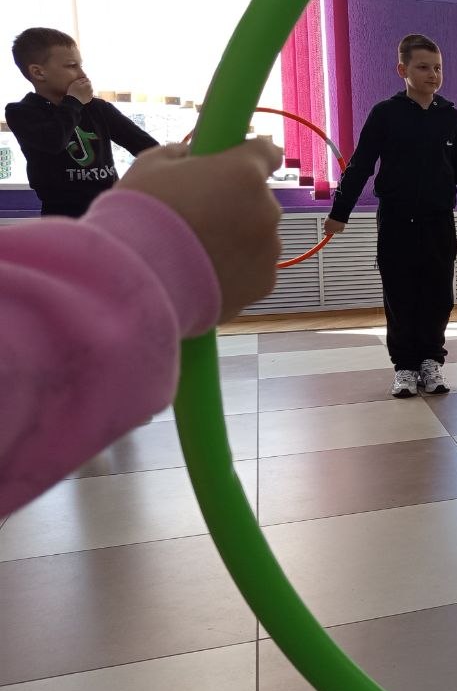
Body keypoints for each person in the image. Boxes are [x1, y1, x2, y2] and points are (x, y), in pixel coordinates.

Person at [1, 136, 284, 516]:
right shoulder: (29, 115)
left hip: (93, 226)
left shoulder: (99, 113)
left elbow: (137, 140)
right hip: (83, 228)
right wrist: (151, 253)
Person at [324, 34, 457, 398]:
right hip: (396, 221)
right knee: (400, 294)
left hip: (438, 221)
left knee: (438, 295)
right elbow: (360, 166)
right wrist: (339, 212)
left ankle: (431, 361)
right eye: (423, 67)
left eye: (438, 68)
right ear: (403, 70)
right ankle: (404, 367)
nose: (433, 75)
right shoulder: (385, 114)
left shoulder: (452, 119)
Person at [6, 27, 159, 217]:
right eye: (72, 66)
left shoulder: (98, 108)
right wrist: (74, 102)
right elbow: (54, 141)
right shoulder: (21, 112)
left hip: (109, 213)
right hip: (61, 218)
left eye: (81, 65)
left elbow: (148, 148)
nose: (82, 74)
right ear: (38, 72)